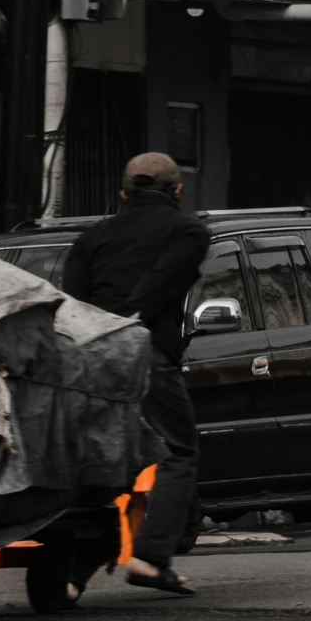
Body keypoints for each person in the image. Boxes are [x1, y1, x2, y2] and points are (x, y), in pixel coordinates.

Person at [59, 151, 208, 597]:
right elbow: (162, 282)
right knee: (178, 453)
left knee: (110, 464)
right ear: (177, 192)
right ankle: (150, 556)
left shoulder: (90, 240)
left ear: (123, 194)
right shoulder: (188, 232)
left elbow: (72, 306)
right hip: (146, 356)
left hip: (92, 359)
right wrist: (130, 324)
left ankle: (69, 574)